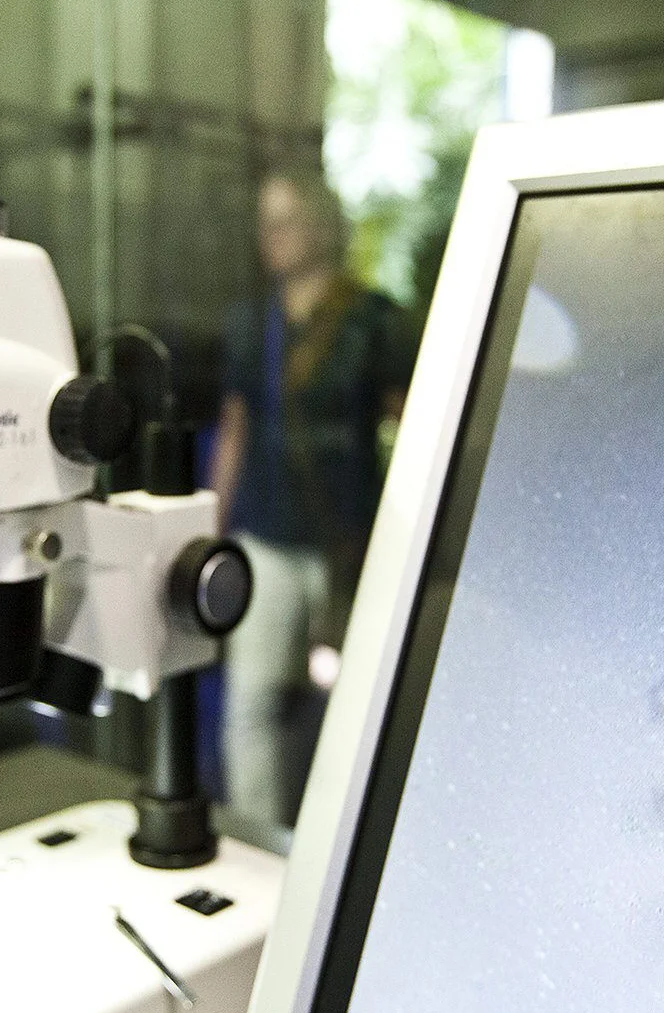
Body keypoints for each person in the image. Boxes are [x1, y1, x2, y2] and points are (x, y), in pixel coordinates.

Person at [211, 168, 416, 827]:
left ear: (321, 226)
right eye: (265, 221)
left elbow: (409, 423)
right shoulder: (252, 323)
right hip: (265, 537)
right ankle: (261, 835)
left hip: (346, 544)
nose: (272, 235)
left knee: (354, 706)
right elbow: (235, 431)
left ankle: (342, 841)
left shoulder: (369, 320)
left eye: (288, 219)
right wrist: (211, 532)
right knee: (253, 705)